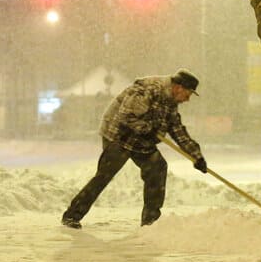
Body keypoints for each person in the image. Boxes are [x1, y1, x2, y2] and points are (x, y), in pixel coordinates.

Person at [61, 69, 207, 229]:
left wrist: (196, 156)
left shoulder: (170, 103)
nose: (187, 99)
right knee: (105, 175)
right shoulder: (149, 89)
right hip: (119, 135)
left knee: (157, 169)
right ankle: (71, 216)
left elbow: (178, 131)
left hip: (142, 140)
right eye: (188, 94)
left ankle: (150, 222)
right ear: (179, 87)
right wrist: (147, 129)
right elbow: (126, 116)